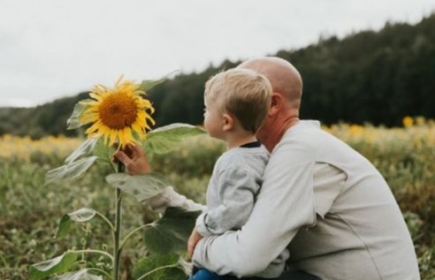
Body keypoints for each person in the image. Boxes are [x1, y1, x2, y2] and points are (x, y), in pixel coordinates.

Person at [115, 57, 420, 280]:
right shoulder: (267, 154)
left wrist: (201, 248)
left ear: (272, 104)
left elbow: (247, 257)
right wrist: (155, 191)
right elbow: (231, 221)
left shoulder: (300, 153)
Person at [187, 68, 288, 279]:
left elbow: (236, 211)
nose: (204, 114)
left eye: (206, 110)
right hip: (262, 258)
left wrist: (202, 226)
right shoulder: (261, 154)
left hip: (234, 265)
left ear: (226, 122)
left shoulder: (235, 164)